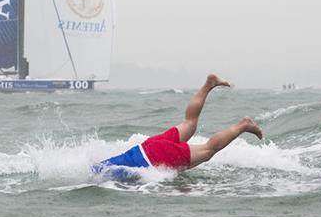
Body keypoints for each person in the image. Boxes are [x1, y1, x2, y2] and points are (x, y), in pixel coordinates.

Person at [92, 74, 263, 179]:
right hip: (146, 146)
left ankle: (243, 125)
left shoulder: (99, 176)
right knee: (189, 123)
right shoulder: (101, 166)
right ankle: (209, 84)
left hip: (155, 158)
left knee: (208, 150)